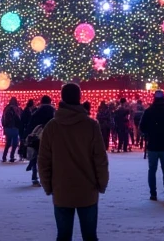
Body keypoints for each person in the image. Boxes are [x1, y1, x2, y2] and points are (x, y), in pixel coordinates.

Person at [38, 82, 109, 241]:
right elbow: (100, 159)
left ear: (62, 98)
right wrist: (102, 183)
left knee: (63, 236)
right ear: (79, 97)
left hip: (61, 189)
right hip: (87, 190)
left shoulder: (52, 126)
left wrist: (48, 185)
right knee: (90, 236)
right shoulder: (91, 125)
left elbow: (43, 161)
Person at [138, 89, 164, 200]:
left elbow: (142, 127)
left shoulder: (149, 111)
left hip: (153, 144)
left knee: (152, 170)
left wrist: (149, 133)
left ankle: (153, 193)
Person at [2, 97, 21, 162]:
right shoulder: (17, 109)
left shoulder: (6, 109)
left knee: (8, 143)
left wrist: (4, 126)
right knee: (15, 143)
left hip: (8, 128)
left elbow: (3, 119)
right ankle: (11, 156)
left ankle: (4, 156)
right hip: (15, 127)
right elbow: (19, 119)